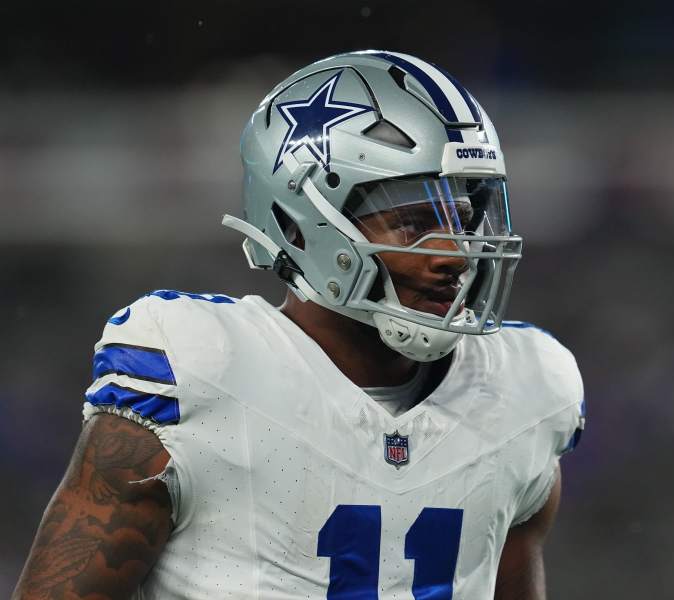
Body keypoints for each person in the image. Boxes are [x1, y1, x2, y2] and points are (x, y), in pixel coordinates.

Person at [13, 50, 585, 600]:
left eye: (461, 220)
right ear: (302, 224)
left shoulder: (523, 392)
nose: (454, 255)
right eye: (412, 223)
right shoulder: (202, 372)